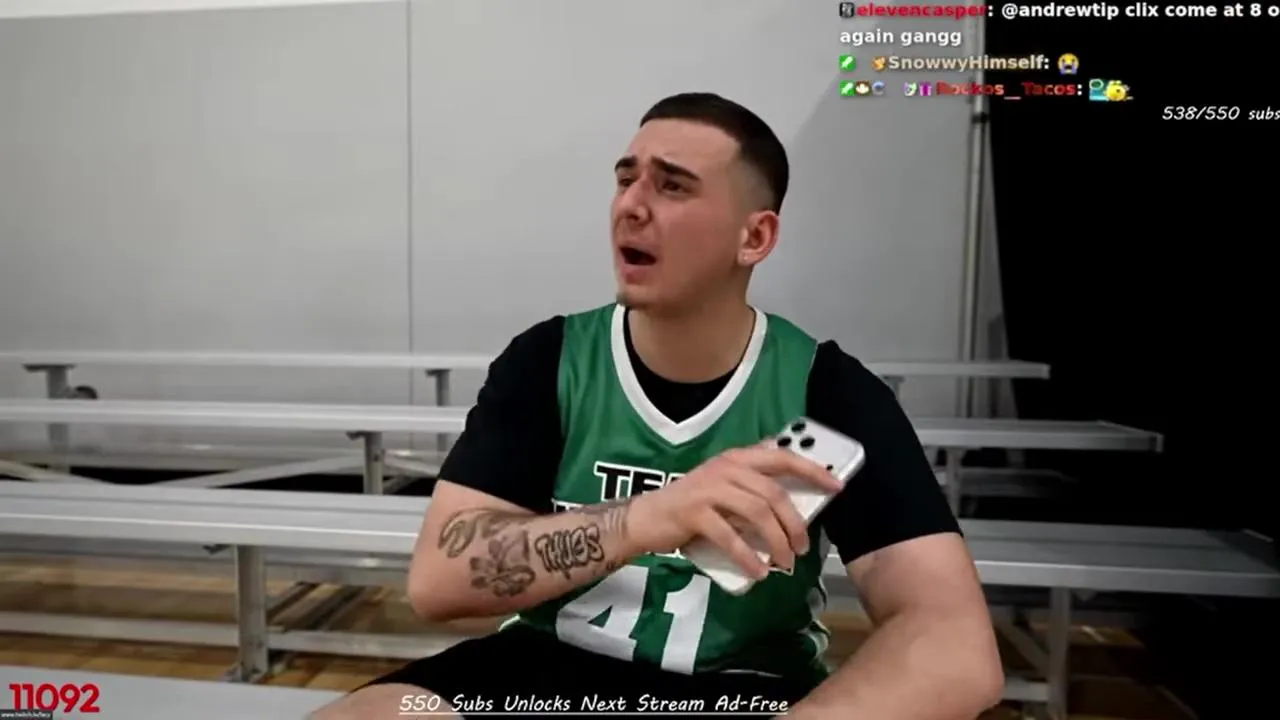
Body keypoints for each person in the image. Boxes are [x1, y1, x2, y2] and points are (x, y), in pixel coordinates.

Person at [312, 92, 1003, 719]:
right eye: (626, 179)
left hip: (741, 691)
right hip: (535, 677)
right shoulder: (551, 359)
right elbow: (439, 582)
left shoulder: (827, 390)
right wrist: (652, 517)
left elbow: (954, 645)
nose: (631, 205)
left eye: (672, 185)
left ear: (754, 237)